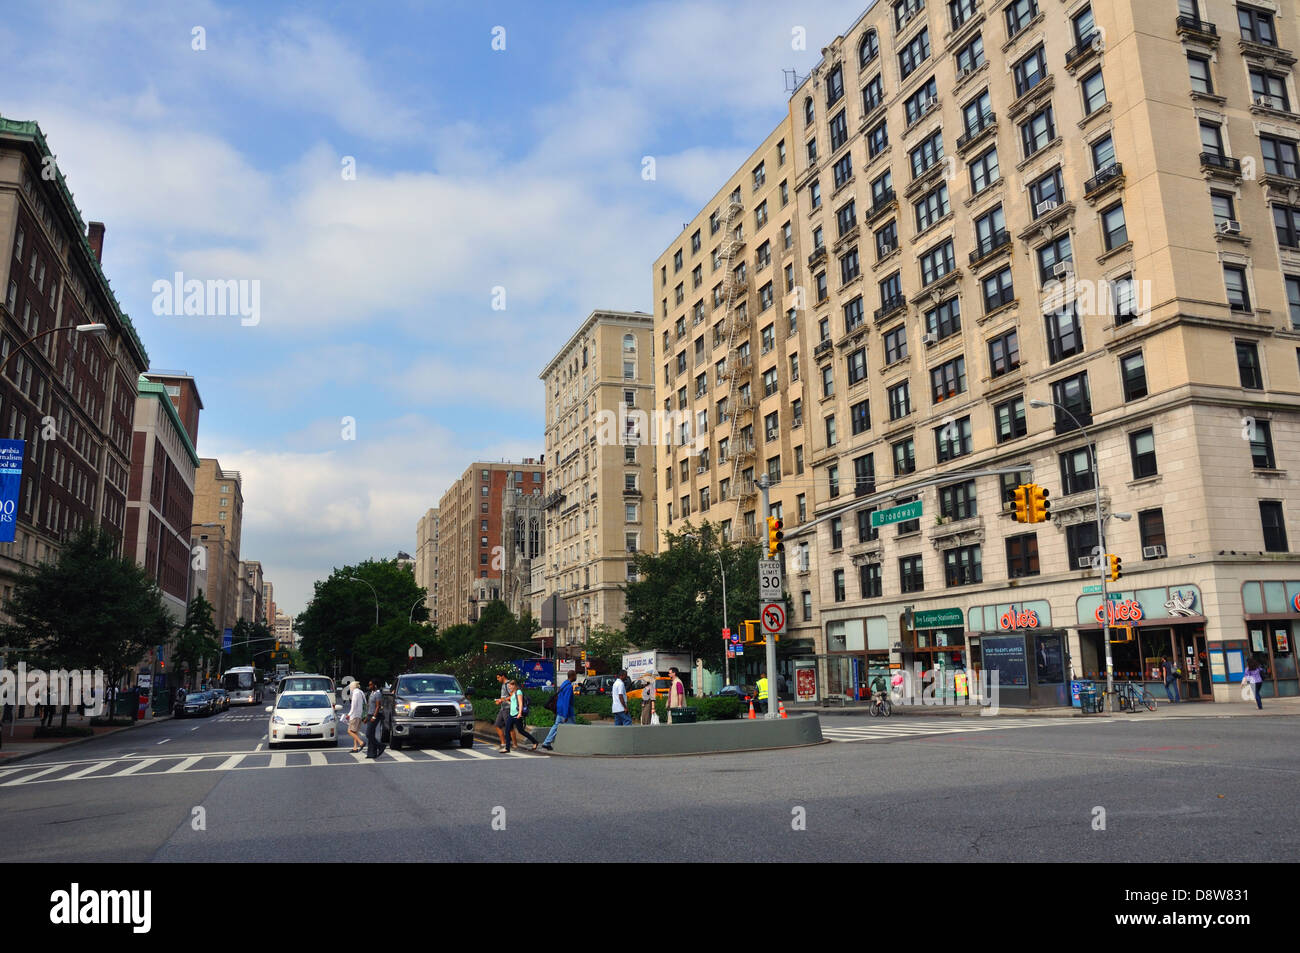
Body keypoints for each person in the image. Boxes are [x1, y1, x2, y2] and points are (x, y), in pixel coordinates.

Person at [542, 671, 579, 750]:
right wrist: (565, 715)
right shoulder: (569, 687)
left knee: (556, 726)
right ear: (572, 676)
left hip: (560, 709)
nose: (576, 677)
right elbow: (567, 701)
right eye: (575, 675)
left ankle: (547, 742)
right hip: (566, 712)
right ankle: (575, 745)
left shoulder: (564, 684)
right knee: (574, 728)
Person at [504, 679, 539, 751]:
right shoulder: (513, 693)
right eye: (509, 686)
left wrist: (520, 713)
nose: (509, 687)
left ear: (514, 685)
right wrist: (507, 702)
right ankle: (507, 748)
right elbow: (514, 704)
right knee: (507, 730)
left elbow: (520, 703)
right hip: (512, 714)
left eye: (510, 686)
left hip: (517, 714)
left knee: (521, 731)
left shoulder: (518, 692)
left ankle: (535, 742)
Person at [493, 673, 514, 751]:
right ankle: (503, 744)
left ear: (503, 676)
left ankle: (515, 745)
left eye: (498, 677)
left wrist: (502, 700)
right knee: (497, 725)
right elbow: (504, 697)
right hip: (503, 708)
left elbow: (512, 696)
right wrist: (500, 700)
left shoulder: (508, 684)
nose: (497, 679)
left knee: (510, 728)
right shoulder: (503, 684)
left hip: (508, 708)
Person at [365, 680, 385, 759]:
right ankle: (371, 753)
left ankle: (381, 746)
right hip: (370, 715)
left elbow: (378, 706)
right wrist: (367, 717)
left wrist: (374, 716)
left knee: (368, 734)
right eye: (369, 685)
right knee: (371, 734)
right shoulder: (371, 693)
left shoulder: (378, 693)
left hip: (375, 715)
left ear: (375, 685)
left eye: (371, 685)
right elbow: (370, 706)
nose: (369, 686)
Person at [346, 677, 367, 752]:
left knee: (350, 731)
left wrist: (349, 714)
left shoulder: (355, 693)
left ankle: (361, 742)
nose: (350, 689)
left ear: (352, 687)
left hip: (354, 715)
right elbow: (365, 703)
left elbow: (353, 705)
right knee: (355, 732)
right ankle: (355, 747)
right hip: (360, 715)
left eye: (350, 687)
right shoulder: (361, 692)